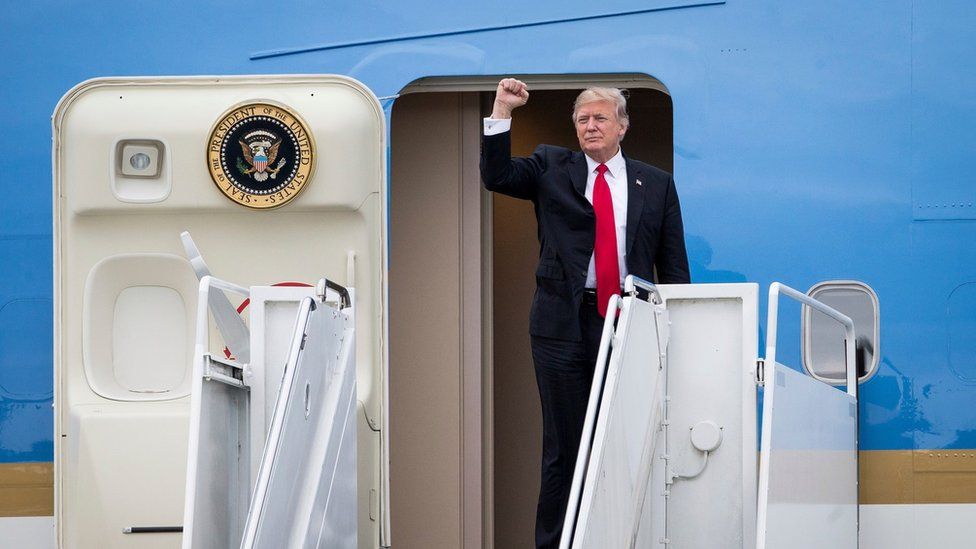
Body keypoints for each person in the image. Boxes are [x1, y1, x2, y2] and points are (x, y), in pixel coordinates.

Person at [480, 78, 690, 548]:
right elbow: (496, 177)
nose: (590, 126)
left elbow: (673, 266)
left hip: (628, 324)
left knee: (626, 437)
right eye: (582, 120)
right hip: (561, 326)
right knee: (563, 446)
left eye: (600, 118)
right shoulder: (551, 165)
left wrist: (679, 331)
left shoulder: (655, 184)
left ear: (622, 127)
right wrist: (502, 110)